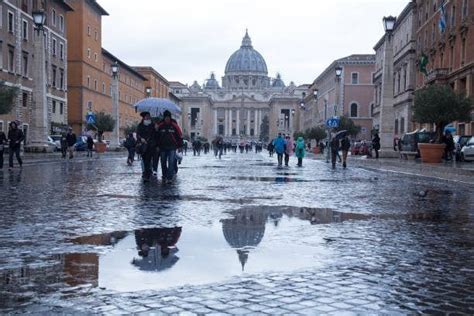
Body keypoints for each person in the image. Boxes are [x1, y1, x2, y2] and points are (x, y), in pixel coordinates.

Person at [157, 110, 183, 184]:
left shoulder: (174, 125)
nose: (167, 119)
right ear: (164, 118)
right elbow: (156, 136)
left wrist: (180, 145)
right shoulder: (160, 125)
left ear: (170, 117)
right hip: (162, 147)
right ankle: (164, 175)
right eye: (166, 117)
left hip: (172, 147)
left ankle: (169, 177)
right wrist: (157, 145)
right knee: (163, 162)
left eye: (168, 117)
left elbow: (180, 135)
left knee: (171, 162)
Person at [137, 111, 156, 182]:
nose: (148, 117)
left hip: (151, 145)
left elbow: (155, 135)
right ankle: (146, 173)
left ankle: (147, 175)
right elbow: (138, 134)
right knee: (145, 161)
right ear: (144, 117)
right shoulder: (140, 125)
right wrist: (141, 139)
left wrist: (156, 129)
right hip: (143, 146)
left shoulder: (153, 125)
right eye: (146, 116)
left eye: (148, 116)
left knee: (148, 160)